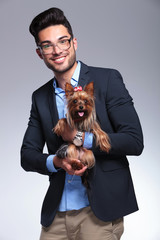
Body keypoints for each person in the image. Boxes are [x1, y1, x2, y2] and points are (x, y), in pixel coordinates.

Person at [21, 7, 144, 240]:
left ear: (74, 43)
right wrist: (56, 161)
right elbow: (27, 155)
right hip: (56, 216)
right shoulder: (40, 97)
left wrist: (79, 138)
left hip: (99, 214)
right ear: (40, 53)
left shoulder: (107, 80)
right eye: (47, 45)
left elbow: (134, 141)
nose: (56, 50)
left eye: (62, 41)